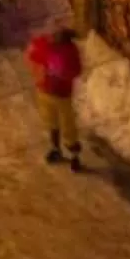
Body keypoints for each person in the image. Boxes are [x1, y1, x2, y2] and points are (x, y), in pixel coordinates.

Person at [27, 23, 85, 168]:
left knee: (67, 125)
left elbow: (75, 70)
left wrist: (62, 72)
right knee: (51, 122)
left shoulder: (69, 51)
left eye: (55, 35)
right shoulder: (48, 46)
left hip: (61, 95)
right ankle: (55, 148)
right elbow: (34, 55)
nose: (51, 37)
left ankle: (74, 154)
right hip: (45, 91)